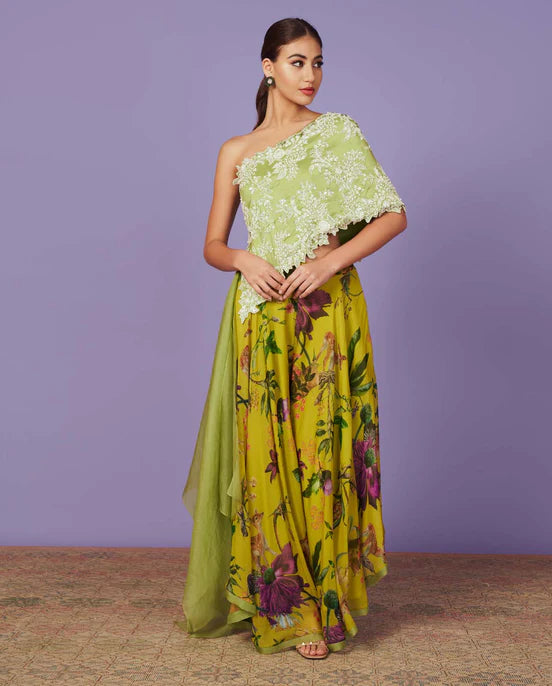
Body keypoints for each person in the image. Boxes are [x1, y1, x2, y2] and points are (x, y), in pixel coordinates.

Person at [174, 17, 407, 660]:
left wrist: (330, 263)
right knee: (267, 457)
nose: (311, 75)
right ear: (268, 67)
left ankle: (324, 603)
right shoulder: (236, 151)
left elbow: (393, 215)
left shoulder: (337, 133)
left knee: (320, 454)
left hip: (326, 312)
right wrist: (242, 259)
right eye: (298, 62)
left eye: (318, 63)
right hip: (262, 315)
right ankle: (288, 608)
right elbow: (213, 245)